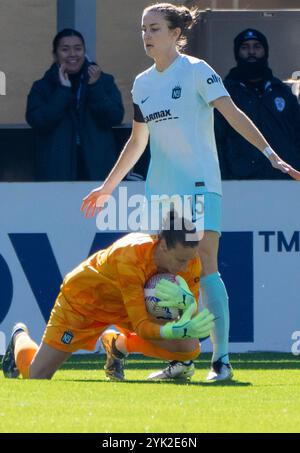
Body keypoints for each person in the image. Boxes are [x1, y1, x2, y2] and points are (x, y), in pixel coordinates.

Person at [81, 3, 300, 381]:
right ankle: (181, 361)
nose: (146, 36)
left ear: (175, 33)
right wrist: (108, 186)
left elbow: (231, 113)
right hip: (161, 191)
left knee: (206, 262)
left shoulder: (198, 71)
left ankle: (222, 361)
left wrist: (270, 155)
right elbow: (137, 141)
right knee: (169, 277)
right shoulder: (142, 83)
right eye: (143, 29)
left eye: (154, 29)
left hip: (200, 184)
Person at [2, 214, 215, 381]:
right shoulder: (130, 256)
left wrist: (189, 305)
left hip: (127, 306)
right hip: (83, 302)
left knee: (189, 348)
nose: (186, 266)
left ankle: (117, 345)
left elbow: (189, 316)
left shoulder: (190, 261)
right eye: (180, 260)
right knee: (37, 375)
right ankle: (19, 336)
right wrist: (174, 329)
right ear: (163, 245)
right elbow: (141, 325)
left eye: (190, 258)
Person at [26, 28, 124, 181]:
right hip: (57, 169)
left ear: (84, 51)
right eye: (65, 49)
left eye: (78, 49)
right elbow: (38, 121)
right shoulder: (42, 87)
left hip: (97, 169)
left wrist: (95, 88)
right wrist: (62, 91)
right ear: (55, 54)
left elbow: (114, 117)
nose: (72, 54)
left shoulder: (103, 81)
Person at [215, 28, 300, 179]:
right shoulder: (224, 93)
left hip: (283, 180)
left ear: (265, 51)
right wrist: (224, 177)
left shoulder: (282, 92)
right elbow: (216, 139)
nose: (251, 52)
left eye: (257, 47)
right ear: (237, 53)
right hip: (239, 181)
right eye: (245, 47)